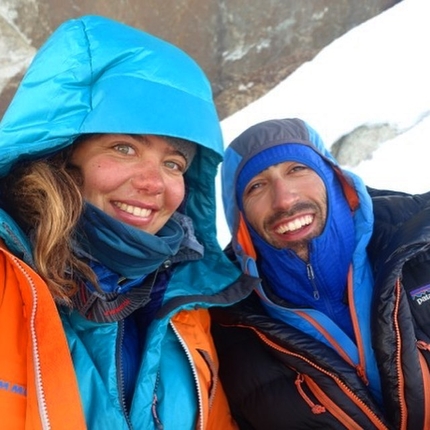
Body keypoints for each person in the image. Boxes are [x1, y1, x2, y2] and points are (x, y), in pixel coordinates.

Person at [0, 15, 249, 429]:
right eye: (124, 147)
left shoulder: (188, 309)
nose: (154, 183)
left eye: (174, 163)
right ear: (62, 153)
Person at [211, 117, 430, 429]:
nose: (284, 198)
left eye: (297, 169)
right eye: (256, 186)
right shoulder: (223, 327)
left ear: (334, 178)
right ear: (240, 220)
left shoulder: (421, 238)